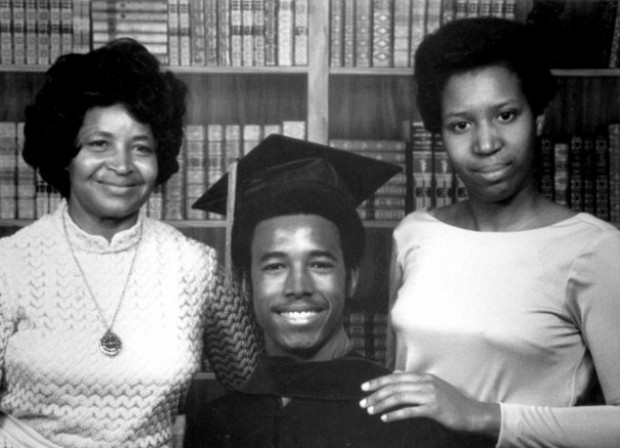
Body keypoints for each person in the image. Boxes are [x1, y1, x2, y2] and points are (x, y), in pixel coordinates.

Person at [359, 17, 620, 447]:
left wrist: (484, 416)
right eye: (461, 124)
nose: (485, 144)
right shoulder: (414, 234)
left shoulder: (594, 249)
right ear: (439, 135)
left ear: (537, 117)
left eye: (505, 115)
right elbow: (398, 384)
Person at [0, 39, 258, 448]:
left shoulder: (195, 268)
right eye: (99, 144)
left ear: (161, 159)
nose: (122, 165)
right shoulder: (9, 266)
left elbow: (254, 385)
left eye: (141, 147)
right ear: (66, 153)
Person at [183, 134, 495, 448]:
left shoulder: (407, 419)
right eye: (275, 266)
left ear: (352, 278)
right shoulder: (214, 424)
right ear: (244, 285)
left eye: (319, 265)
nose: (298, 287)